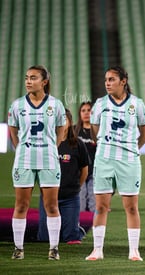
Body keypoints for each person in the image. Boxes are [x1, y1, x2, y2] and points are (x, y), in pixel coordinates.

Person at [85, 66, 145, 261]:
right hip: (104, 159)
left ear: (123, 81)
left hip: (129, 161)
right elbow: (95, 130)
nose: (107, 83)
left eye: (112, 79)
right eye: (106, 79)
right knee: (101, 206)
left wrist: (130, 149)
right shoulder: (100, 104)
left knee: (131, 206)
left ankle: (134, 251)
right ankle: (97, 250)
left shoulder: (137, 104)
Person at [7, 65, 66, 260]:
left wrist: (52, 147)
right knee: (21, 205)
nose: (28, 81)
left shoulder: (55, 105)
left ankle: (54, 248)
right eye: (26, 77)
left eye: (33, 78)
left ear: (44, 82)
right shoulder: (17, 105)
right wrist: (21, 148)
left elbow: (61, 130)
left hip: (48, 159)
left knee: (51, 206)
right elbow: (13, 129)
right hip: (24, 159)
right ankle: (18, 248)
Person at [38, 108, 89, 244]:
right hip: (48, 197)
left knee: (71, 239)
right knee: (44, 239)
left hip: (70, 198)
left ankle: (76, 230)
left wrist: (76, 187)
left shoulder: (78, 144)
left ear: (70, 122)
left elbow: (84, 170)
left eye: (64, 119)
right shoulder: (45, 143)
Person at [75, 101, 97, 212]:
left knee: (94, 206)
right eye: (83, 110)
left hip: (95, 173)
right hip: (79, 172)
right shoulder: (74, 131)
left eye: (89, 110)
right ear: (79, 113)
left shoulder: (98, 131)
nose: (86, 113)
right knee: (81, 206)